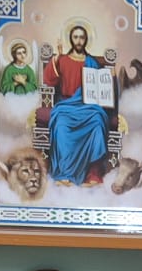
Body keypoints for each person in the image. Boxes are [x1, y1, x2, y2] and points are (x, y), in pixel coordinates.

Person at [40, 25, 113, 186]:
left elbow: (101, 88)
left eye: (82, 37)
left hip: (88, 106)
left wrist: (110, 79)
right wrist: (56, 58)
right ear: (71, 39)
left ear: (86, 40)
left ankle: (93, 173)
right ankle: (64, 173)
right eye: (76, 37)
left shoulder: (92, 62)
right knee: (61, 125)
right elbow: (49, 80)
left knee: (98, 120)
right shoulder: (63, 60)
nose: (79, 41)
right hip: (66, 105)